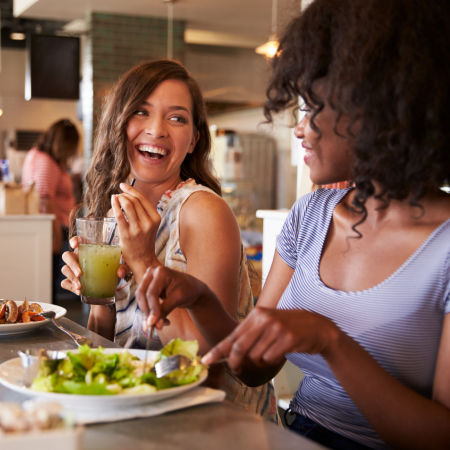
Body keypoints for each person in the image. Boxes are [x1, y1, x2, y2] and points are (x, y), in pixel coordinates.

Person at [135, 1, 450, 449]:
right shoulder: (312, 215)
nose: (298, 130)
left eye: (311, 107)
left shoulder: (444, 246)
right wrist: (201, 298)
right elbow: (252, 366)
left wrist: (329, 341)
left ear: (378, 107)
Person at [60, 60, 277, 421]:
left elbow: (207, 360)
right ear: (120, 124)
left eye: (176, 118)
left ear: (193, 140)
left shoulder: (203, 211)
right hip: (141, 412)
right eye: (141, 112)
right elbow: (110, 345)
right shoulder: (113, 213)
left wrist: (145, 261)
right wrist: (99, 297)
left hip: (216, 422)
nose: (156, 130)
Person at [22, 119, 80, 299]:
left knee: (51, 282)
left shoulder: (38, 155)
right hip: (54, 230)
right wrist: (54, 238)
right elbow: (45, 201)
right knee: (51, 283)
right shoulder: (46, 161)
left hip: (54, 228)